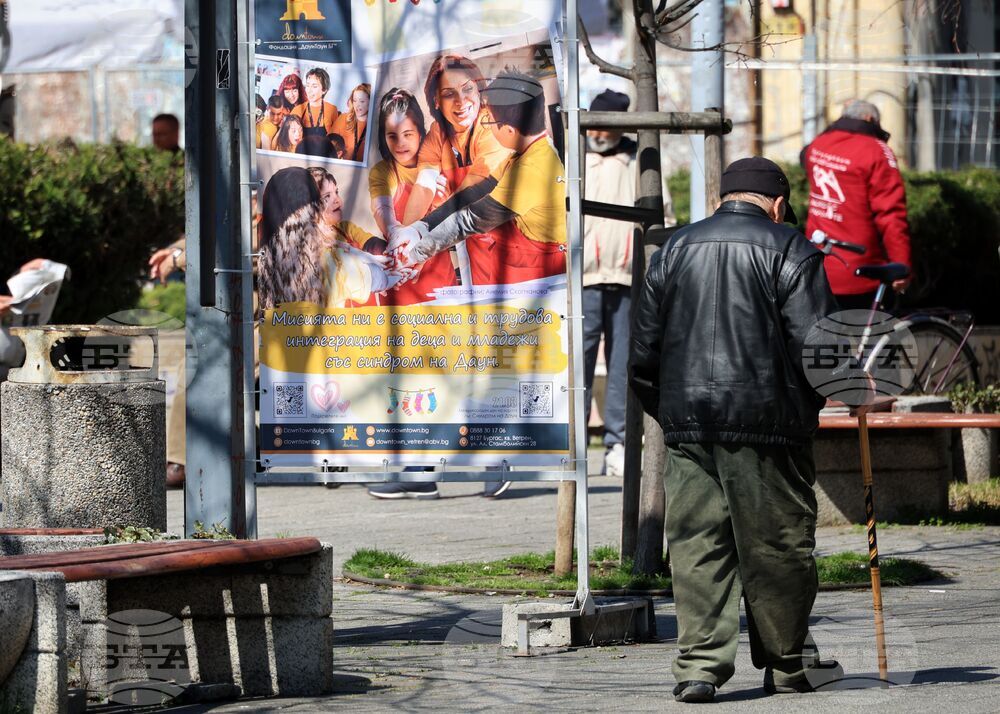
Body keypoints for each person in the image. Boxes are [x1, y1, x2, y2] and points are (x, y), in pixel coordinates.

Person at [629, 157, 842, 703]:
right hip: (768, 425)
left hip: (687, 425)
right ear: (776, 202)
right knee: (776, 547)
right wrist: (814, 405)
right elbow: (820, 349)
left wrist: (671, 410)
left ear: (723, 198)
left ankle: (699, 668)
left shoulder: (673, 250)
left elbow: (643, 354)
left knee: (699, 546)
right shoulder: (791, 248)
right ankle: (788, 663)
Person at [391, 70, 566, 286]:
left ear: (509, 130)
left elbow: (469, 219)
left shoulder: (534, 168)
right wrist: (419, 228)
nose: (488, 127)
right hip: (522, 260)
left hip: (541, 269)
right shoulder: (523, 154)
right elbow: (474, 193)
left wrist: (415, 255)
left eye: (490, 122)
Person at [802, 99, 912, 309]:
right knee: (877, 337)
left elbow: (804, 158)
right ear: (870, 119)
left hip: (817, 267)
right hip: (861, 272)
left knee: (825, 339)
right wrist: (902, 264)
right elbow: (891, 215)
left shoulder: (819, 143)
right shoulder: (877, 152)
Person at [582, 89, 635, 477]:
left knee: (622, 365)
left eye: (608, 125)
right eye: (596, 122)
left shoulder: (636, 157)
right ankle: (574, 445)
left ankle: (618, 444)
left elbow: (659, 210)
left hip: (627, 276)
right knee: (578, 364)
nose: (599, 131)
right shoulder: (575, 156)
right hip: (583, 277)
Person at [257, 167, 397, 311]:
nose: (338, 202)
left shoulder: (269, 252)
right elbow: (374, 278)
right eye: (325, 198)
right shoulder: (329, 261)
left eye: (336, 193)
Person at [367, 88, 456, 305]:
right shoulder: (382, 172)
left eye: (408, 134)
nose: (400, 144)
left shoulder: (439, 160)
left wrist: (441, 206)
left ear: (420, 132)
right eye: (392, 136)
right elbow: (382, 209)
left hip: (438, 275)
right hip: (400, 276)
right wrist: (399, 236)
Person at [402, 54, 511, 226]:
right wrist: (404, 235)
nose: (461, 101)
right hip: (470, 236)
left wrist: (421, 230)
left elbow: (472, 189)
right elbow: (424, 185)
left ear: (478, 90)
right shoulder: (438, 133)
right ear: (436, 101)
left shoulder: (493, 126)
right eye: (449, 94)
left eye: (467, 89)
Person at [292, 67, 340, 139]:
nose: (309, 90)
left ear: (324, 90)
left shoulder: (332, 109)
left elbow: (336, 140)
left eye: (314, 86)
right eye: (307, 85)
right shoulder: (297, 110)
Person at [331, 83, 370, 162]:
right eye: (355, 101)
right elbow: (328, 144)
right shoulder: (343, 118)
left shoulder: (375, 125)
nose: (357, 105)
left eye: (362, 101)